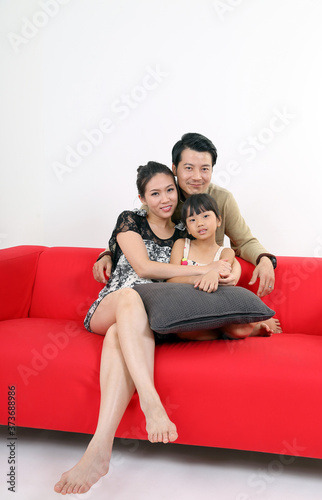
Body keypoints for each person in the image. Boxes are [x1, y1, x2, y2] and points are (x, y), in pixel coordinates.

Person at [54, 162, 231, 495]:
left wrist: (221, 270)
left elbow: (216, 256)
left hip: (150, 317)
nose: (164, 198)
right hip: (112, 304)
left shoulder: (183, 232)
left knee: (117, 335)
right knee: (128, 299)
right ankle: (151, 402)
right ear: (142, 198)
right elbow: (144, 267)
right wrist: (206, 268)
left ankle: (99, 449)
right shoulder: (130, 220)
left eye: (169, 190)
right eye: (155, 193)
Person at [93, 133, 277, 298]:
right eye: (189, 168)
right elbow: (136, 231)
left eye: (205, 169)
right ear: (174, 169)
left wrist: (265, 259)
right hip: (173, 286)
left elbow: (243, 242)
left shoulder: (222, 199)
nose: (197, 177)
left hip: (211, 283)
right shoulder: (162, 199)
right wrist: (108, 254)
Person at [168, 193, 282, 341]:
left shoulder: (226, 252)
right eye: (192, 220)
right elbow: (171, 281)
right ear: (188, 228)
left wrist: (214, 274)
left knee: (236, 328)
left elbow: (222, 271)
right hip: (190, 310)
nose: (200, 223)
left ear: (219, 221)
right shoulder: (182, 245)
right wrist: (202, 277)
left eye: (205, 216)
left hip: (216, 309)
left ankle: (241, 327)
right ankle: (235, 332)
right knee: (183, 332)